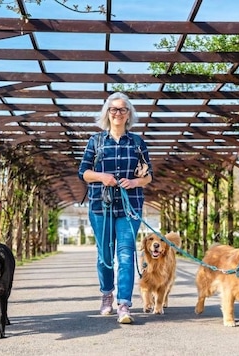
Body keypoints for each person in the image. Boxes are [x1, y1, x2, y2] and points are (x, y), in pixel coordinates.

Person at [78, 92, 153, 324]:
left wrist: (135, 181)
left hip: (130, 207)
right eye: (113, 109)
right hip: (101, 206)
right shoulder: (96, 141)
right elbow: (84, 173)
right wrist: (102, 176)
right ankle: (106, 294)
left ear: (128, 114)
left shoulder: (137, 143)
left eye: (122, 109)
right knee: (104, 256)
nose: (118, 113)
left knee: (126, 254)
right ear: (107, 113)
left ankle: (124, 304)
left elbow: (148, 175)